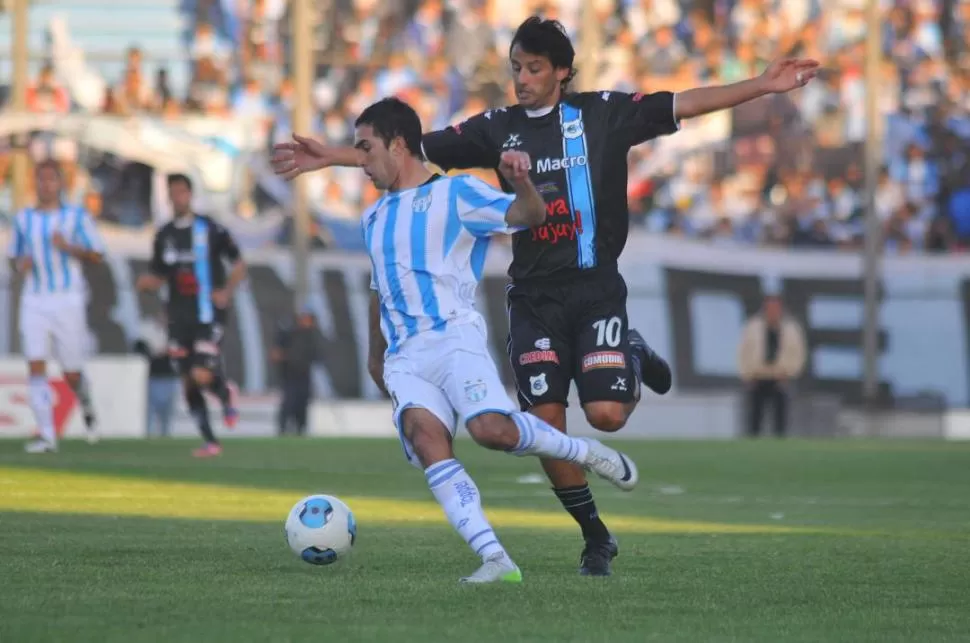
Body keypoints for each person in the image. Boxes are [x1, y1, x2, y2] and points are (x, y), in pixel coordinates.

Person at [271, 17, 819, 575]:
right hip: (532, 297)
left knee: (605, 416)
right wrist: (332, 157)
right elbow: (408, 152)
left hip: (594, 286)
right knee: (546, 431)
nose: (522, 79)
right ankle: (595, 536)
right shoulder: (496, 127)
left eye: (534, 68)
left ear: (562, 71)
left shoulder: (603, 113)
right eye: (515, 68)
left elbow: (683, 103)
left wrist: (761, 84)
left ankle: (627, 350)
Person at [355, 97, 638, 584]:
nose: (359, 161)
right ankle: (495, 558)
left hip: (453, 339)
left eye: (365, 148)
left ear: (398, 145)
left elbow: (529, 215)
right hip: (405, 356)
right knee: (427, 440)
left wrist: (523, 180)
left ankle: (583, 452)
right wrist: (374, 353)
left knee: (492, 431)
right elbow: (379, 287)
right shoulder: (373, 218)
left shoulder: (458, 194)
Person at [136, 174, 245, 457]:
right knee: (187, 380)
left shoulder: (210, 229)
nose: (178, 197)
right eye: (173, 193)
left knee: (199, 373)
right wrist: (148, 283)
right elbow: (160, 275)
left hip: (208, 315)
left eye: (182, 191)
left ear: (190, 194)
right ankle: (211, 441)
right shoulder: (163, 235)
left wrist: (227, 291)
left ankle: (224, 392)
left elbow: (239, 263)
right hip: (177, 318)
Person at [6, 159, 103, 453]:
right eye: (41, 179)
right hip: (34, 299)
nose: (46, 185)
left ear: (62, 184)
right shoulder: (23, 219)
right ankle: (47, 435)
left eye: (51, 179)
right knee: (35, 364)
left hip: (67, 299)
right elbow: (14, 257)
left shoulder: (76, 217)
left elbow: (97, 255)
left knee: (70, 371)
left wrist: (69, 248)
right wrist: (20, 264)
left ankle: (85, 399)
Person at [737, 295, 807, 437]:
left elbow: (799, 353)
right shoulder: (753, 326)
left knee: (780, 421)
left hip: (780, 377)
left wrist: (790, 373)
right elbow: (743, 351)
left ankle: (779, 451)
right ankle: (752, 450)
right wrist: (746, 374)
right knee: (754, 420)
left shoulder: (791, 328)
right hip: (757, 377)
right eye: (769, 307)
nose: (772, 311)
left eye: (775, 307)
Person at [271, 306, 322, 436]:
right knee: (289, 402)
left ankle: (301, 430)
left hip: (304, 374)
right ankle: (282, 430)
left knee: (302, 404)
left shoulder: (312, 336)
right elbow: (276, 353)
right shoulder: (288, 332)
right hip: (290, 374)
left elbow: (318, 355)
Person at [134, 311, 180, 438]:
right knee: (151, 412)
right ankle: (148, 436)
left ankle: (166, 436)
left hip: (170, 378)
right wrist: (155, 353)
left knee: (167, 414)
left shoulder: (176, 334)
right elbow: (139, 348)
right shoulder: (148, 331)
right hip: (154, 377)